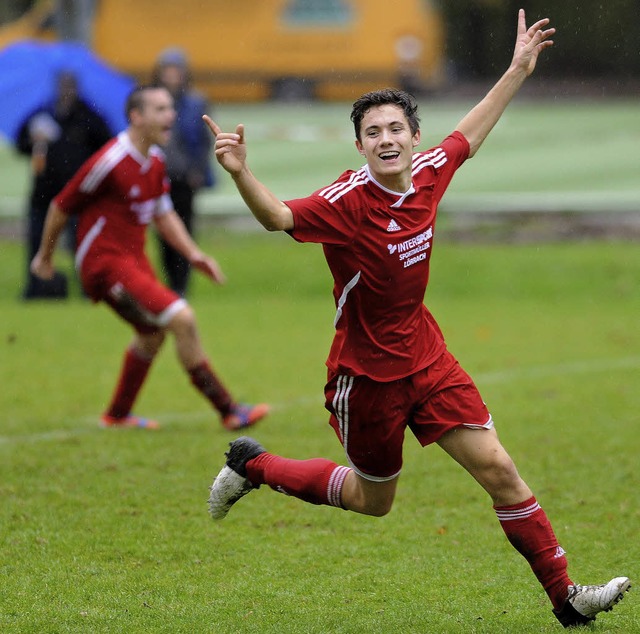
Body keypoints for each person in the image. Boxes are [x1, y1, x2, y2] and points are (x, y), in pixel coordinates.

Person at [204, 11, 630, 628]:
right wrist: (242, 172)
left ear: (411, 135)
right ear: (359, 145)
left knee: (501, 470)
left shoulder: (429, 173)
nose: (385, 139)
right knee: (373, 500)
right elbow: (277, 218)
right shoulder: (345, 201)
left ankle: (566, 597)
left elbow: (468, 136)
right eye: (372, 131)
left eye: (395, 128)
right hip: (366, 377)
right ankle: (254, 465)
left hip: (428, 360)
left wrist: (516, 69)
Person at [30, 84, 269, 431]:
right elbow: (60, 205)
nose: (170, 115)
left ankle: (117, 416)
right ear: (136, 117)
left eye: (171, 108)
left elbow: (163, 213)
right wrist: (45, 258)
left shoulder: (155, 160)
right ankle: (230, 410)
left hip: (132, 261)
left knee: (152, 334)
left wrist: (194, 254)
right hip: (105, 263)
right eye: (160, 109)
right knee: (182, 318)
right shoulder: (110, 160)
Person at [16, 70, 112, 299]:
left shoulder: (89, 116)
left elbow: (106, 148)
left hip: (79, 193)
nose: (66, 90)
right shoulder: (41, 114)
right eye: (63, 85)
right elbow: (21, 144)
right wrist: (34, 141)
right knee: (38, 240)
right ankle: (36, 288)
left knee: (82, 243)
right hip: (44, 192)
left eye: (70, 85)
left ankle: (87, 289)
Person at [150, 48, 215, 297]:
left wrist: (198, 170)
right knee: (163, 232)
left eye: (176, 70)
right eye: (167, 70)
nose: (172, 75)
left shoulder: (195, 102)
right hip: (160, 175)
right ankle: (169, 282)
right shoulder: (152, 102)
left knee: (185, 230)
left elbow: (202, 140)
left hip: (184, 177)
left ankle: (182, 284)